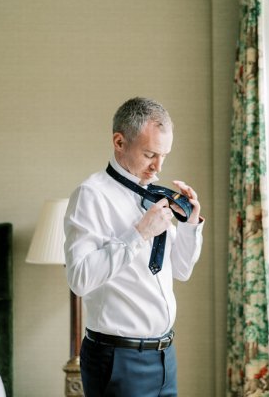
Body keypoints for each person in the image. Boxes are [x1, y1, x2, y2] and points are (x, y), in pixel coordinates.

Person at [64, 97, 205, 397]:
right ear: (119, 141)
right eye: (150, 154)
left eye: (164, 156)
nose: (158, 167)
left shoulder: (153, 196)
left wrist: (191, 225)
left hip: (165, 357)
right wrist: (139, 234)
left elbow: (181, 271)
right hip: (119, 360)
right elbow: (79, 279)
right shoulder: (91, 195)